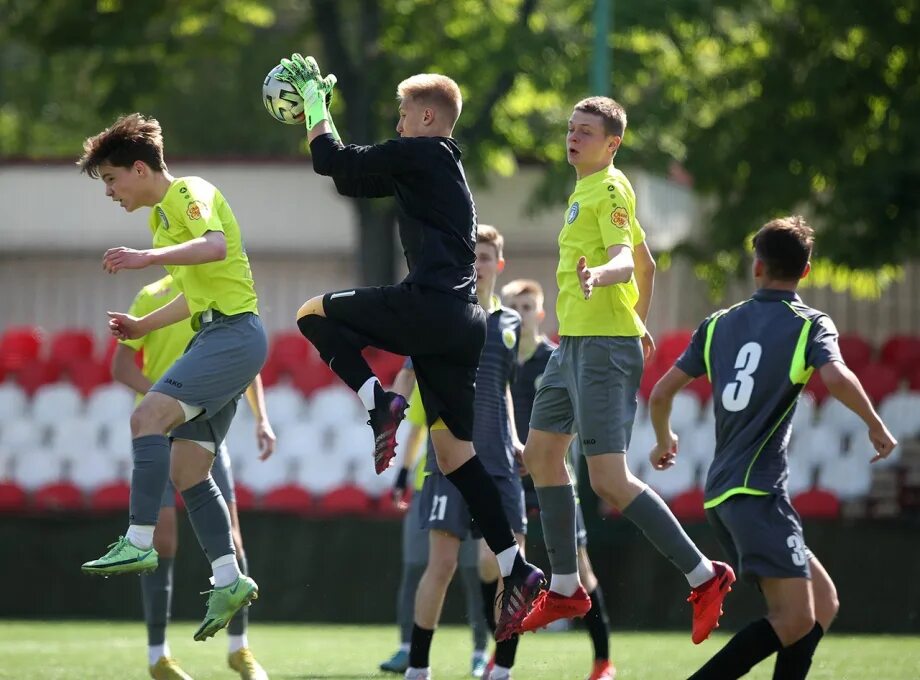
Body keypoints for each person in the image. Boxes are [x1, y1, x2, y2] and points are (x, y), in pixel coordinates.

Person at [272, 54, 544, 655]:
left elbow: (333, 164)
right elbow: (350, 178)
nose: (396, 123)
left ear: (426, 116)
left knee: (311, 315)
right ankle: (517, 565)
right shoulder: (437, 167)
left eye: (401, 114)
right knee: (456, 455)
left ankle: (380, 404)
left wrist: (316, 110)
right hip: (463, 323)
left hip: (428, 309)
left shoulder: (420, 153)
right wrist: (327, 126)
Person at [519, 96, 733, 645]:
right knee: (541, 454)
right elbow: (648, 263)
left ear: (612, 144)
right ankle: (566, 584)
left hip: (600, 349)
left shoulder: (610, 187)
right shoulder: (587, 188)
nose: (573, 137)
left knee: (608, 479)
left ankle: (704, 576)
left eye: (586, 131)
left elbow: (622, 260)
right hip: (575, 348)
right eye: (571, 129)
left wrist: (605, 284)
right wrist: (641, 319)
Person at [647, 216, 897, 679]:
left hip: (726, 492)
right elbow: (837, 376)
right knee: (794, 617)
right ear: (806, 272)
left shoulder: (718, 324)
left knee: (821, 604)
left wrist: (665, 440)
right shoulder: (809, 325)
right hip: (756, 493)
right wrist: (874, 423)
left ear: (756, 267)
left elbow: (660, 394)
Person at [78, 113, 266, 644]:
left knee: (146, 417)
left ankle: (138, 539)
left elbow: (215, 246)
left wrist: (146, 259)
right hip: (219, 333)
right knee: (187, 471)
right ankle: (229, 579)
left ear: (140, 168)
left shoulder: (189, 191)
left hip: (232, 335)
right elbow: (195, 295)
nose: (110, 192)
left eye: (113, 179)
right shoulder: (161, 220)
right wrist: (142, 324)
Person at [112, 274, 273, 680]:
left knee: (233, 538)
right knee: (163, 539)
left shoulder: (214, 291)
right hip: (159, 433)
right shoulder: (151, 296)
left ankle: (240, 650)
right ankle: (158, 656)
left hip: (203, 431)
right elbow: (120, 365)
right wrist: (165, 401)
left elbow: (240, 361)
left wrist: (262, 420)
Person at [411, 225, 527, 680]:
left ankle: (502, 671)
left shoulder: (513, 324)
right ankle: (417, 667)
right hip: (449, 459)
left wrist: (515, 438)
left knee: (507, 565)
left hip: (499, 463)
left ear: (498, 264)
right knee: (439, 565)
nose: (477, 264)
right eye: (471, 256)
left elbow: (504, 391)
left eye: (485, 257)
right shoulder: (443, 314)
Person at [502, 278, 615, 680]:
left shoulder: (556, 359)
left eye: (527, 306)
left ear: (541, 313)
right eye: (513, 306)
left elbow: (573, 423)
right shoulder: (498, 358)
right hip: (512, 481)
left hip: (552, 481)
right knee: (507, 569)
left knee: (582, 572)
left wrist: (541, 456)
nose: (520, 313)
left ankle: (603, 662)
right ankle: (500, 666)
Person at [380, 367, 489, 677]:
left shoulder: (484, 377)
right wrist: (403, 473)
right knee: (415, 567)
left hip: (471, 485)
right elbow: (415, 429)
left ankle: (480, 652)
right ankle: (406, 648)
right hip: (427, 484)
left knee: (473, 571)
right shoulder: (431, 377)